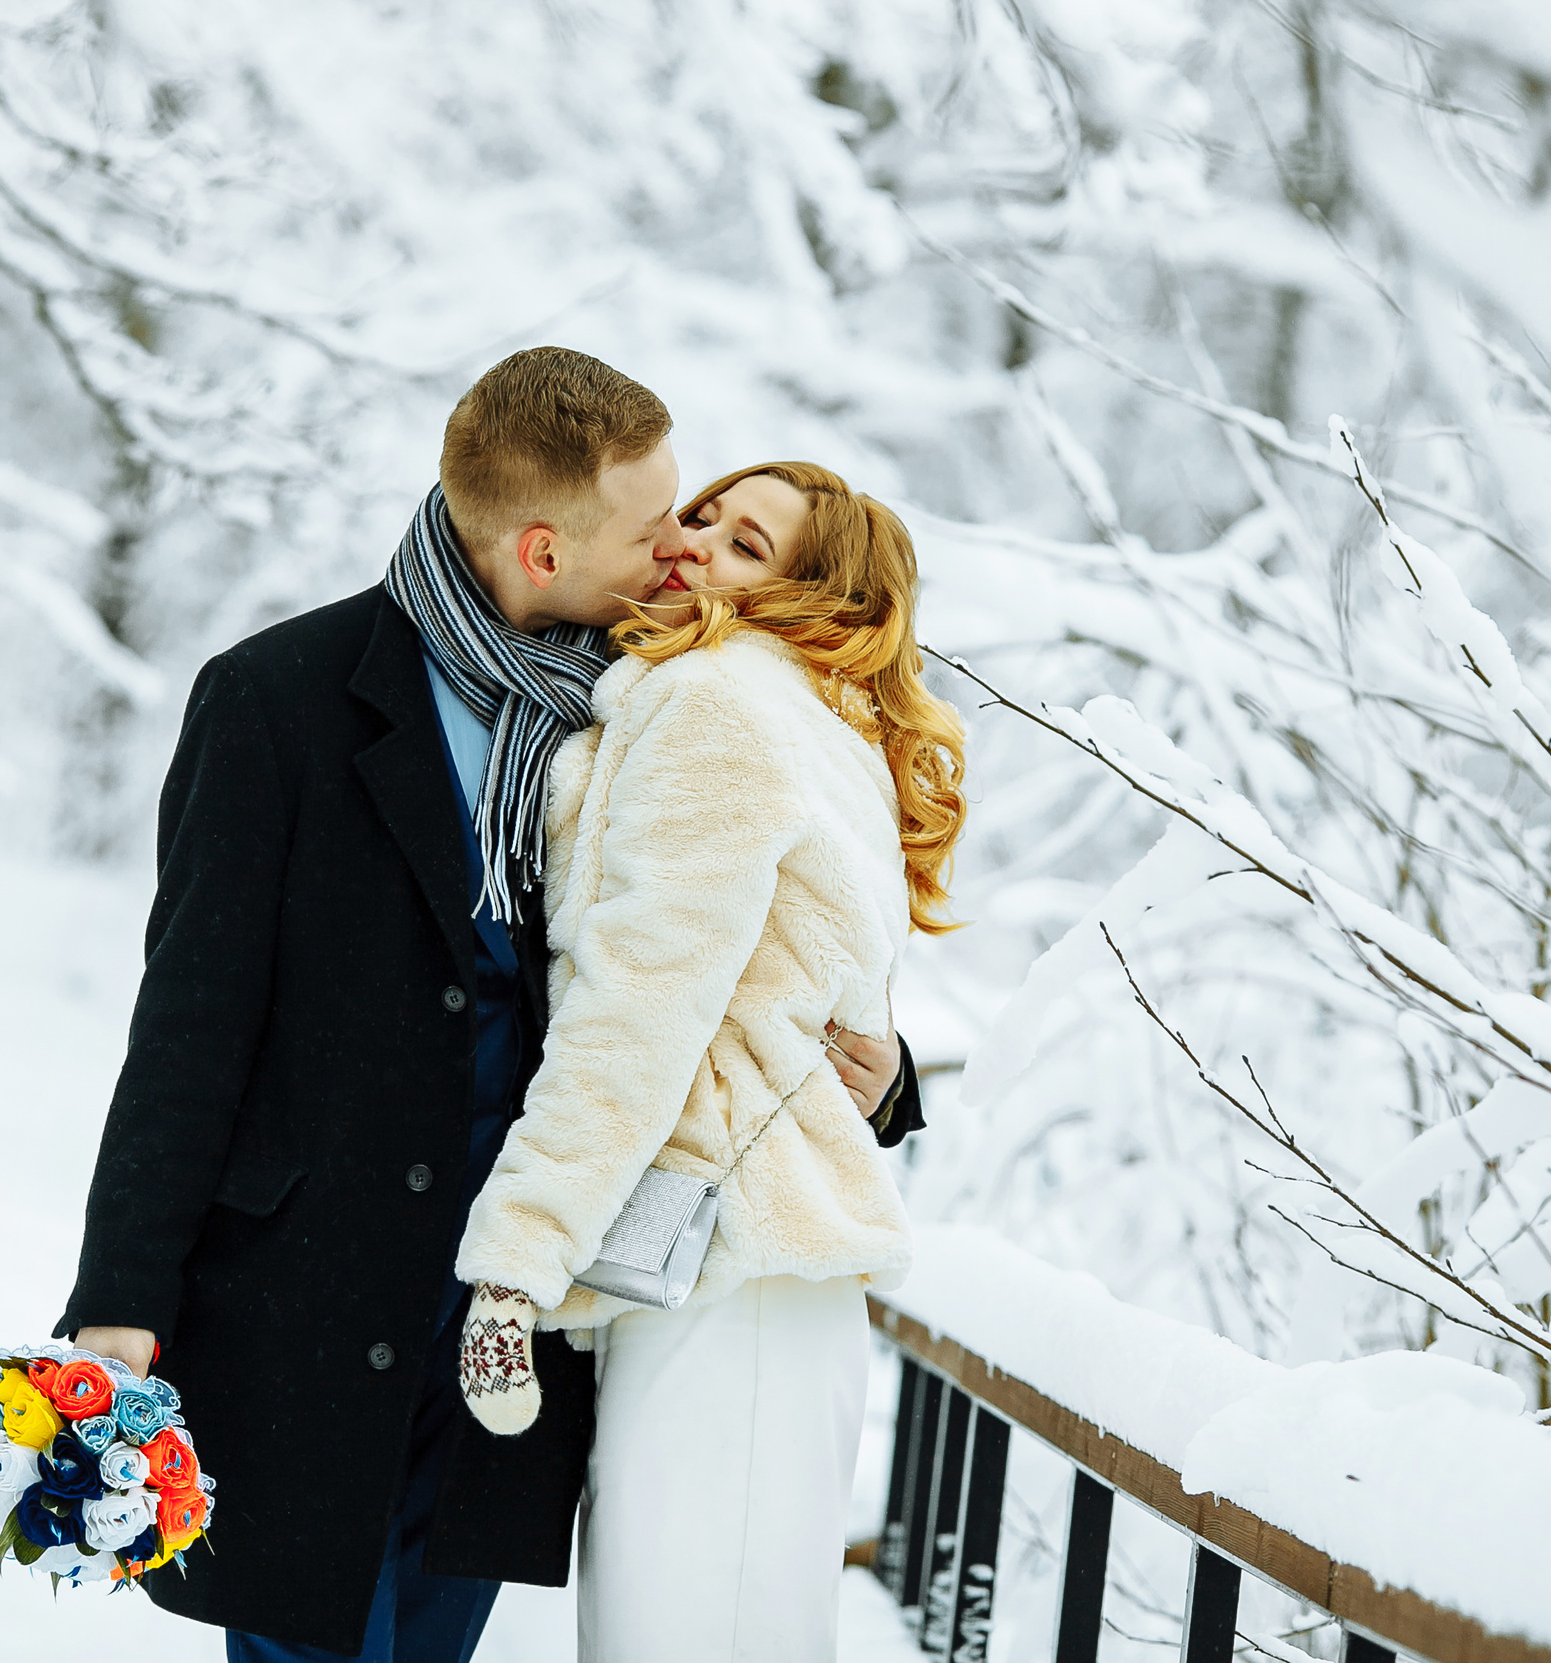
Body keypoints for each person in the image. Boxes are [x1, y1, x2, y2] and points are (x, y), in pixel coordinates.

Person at [55, 351, 927, 1661]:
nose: (675, 551)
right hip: (305, 1311)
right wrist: (119, 1290)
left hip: (506, 1336)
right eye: (657, 526)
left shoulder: (636, 707)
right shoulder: (277, 701)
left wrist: (883, 1071)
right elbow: (190, 1024)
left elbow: (723, 953)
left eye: (699, 519)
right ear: (539, 544)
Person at [451, 461, 966, 1662]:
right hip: (750, 1270)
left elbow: (637, 1009)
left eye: (743, 546)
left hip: (724, 1271)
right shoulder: (802, 715)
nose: (689, 546)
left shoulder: (716, 704)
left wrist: (516, 1261)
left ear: (805, 601)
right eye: (701, 515)